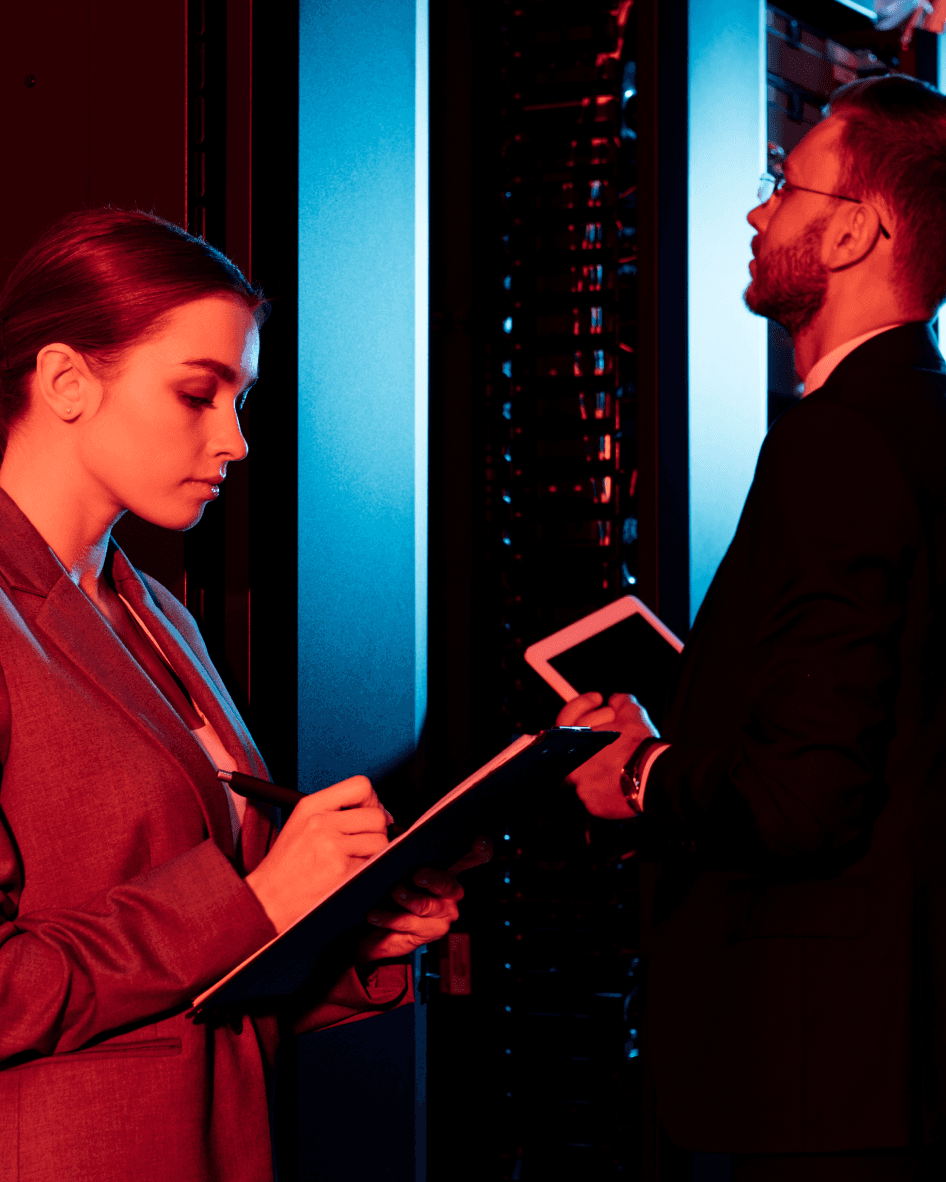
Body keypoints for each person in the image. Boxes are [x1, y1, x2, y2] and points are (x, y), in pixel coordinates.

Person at [0, 207, 476, 1181]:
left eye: (240, 399)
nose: (237, 440)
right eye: (197, 394)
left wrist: (359, 936)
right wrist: (250, 899)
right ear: (64, 382)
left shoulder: (158, 615)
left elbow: (213, 976)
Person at [561, 75, 946, 1180]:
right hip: (892, 1066)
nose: (754, 212)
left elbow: (805, 800)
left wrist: (639, 776)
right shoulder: (925, 427)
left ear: (852, 231)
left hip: (815, 1083)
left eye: (782, 187)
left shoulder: (838, 444)